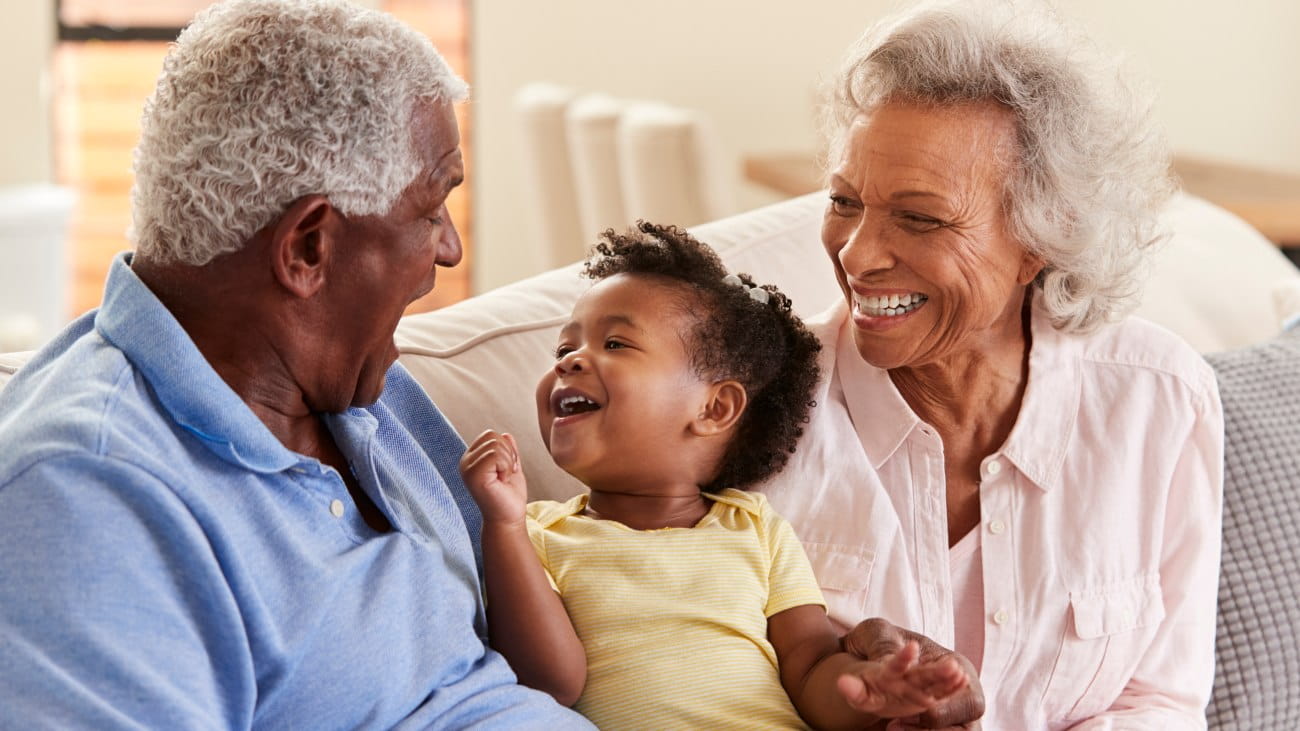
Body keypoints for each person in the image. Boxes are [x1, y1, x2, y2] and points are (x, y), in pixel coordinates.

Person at [0, 1, 591, 728]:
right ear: (309, 247)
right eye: (431, 209)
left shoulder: (354, 386)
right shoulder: (85, 493)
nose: (448, 250)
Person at [757, 2, 1224, 728]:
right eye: (846, 202)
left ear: (1042, 240)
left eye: (919, 217)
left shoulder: (1159, 398)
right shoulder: (758, 408)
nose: (855, 254)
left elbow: (1158, 700)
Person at [459, 222, 971, 730]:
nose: (570, 361)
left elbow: (812, 668)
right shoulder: (536, 534)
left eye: (615, 344)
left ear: (715, 407)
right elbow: (551, 683)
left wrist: (871, 695)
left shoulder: (757, 529)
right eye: (563, 350)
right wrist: (502, 527)